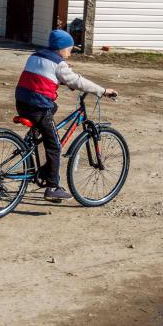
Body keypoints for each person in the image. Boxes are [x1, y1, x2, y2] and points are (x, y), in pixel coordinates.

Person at [15, 29, 117, 201]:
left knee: (52, 106)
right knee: (55, 146)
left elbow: (42, 76)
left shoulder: (35, 56)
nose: (70, 53)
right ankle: (53, 187)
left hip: (22, 103)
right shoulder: (59, 65)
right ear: (61, 48)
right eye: (69, 49)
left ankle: (35, 135)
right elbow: (77, 81)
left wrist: (61, 79)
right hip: (40, 108)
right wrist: (102, 91)